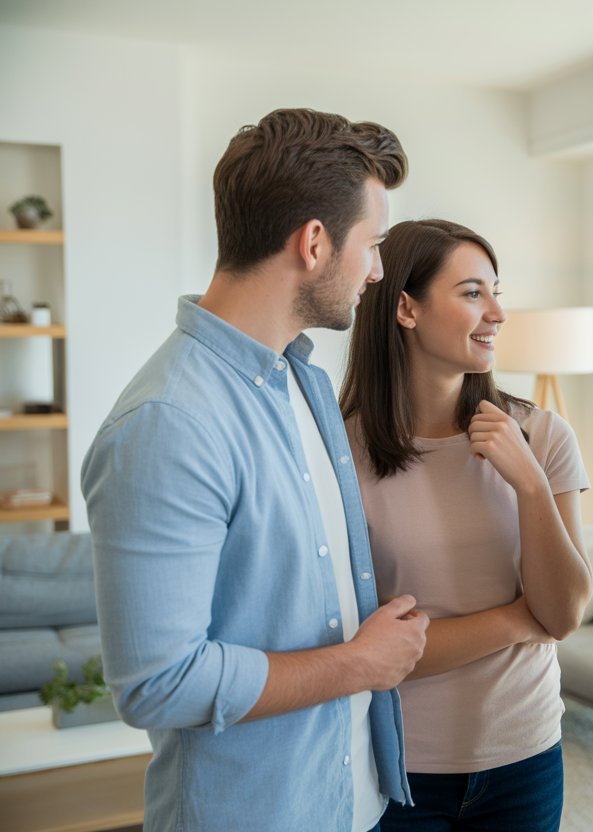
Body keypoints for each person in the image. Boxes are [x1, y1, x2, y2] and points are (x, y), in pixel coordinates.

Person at [82, 108, 429, 832]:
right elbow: (158, 684)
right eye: (371, 246)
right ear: (312, 243)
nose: (375, 270)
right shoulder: (167, 424)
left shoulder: (302, 379)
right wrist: (361, 664)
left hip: (348, 802)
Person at [340, 218, 593, 832]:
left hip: (527, 757)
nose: (499, 313)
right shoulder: (340, 451)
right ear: (406, 307)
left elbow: (560, 615)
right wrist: (515, 617)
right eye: (473, 292)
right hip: (401, 767)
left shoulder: (543, 435)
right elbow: (371, 651)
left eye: (495, 290)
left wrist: (530, 483)